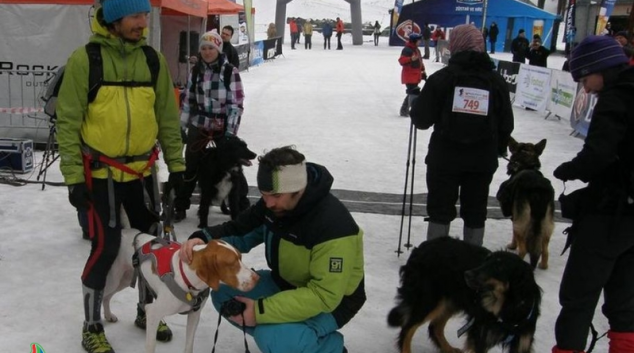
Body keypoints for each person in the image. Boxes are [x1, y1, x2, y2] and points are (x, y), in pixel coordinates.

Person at [56, 0, 186, 352]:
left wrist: (177, 167)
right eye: (135, 15)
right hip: (100, 176)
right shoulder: (86, 60)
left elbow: (167, 119)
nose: (143, 22)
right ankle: (92, 325)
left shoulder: (152, 60)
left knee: (152, 246)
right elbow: (67, 124)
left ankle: (148, 310)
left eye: (145, 15)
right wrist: (73, 179)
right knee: (106, 247)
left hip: (142, 174)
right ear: (114, 19)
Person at [179, 145, 366, 353]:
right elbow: (242, 230)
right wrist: (202, 239)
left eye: (274, 196)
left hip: (333, 303)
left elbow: (324, 295)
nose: (267, 203)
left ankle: (325, 347)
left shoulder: (333, 226)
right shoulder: (277, 205)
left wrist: (259, 312)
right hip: (285, 283)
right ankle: (289, 336)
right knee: (225, 296)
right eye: (263, 194)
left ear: (297, 189)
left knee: (270, 335)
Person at [551, 35, 634, 353]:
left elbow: (598, 155)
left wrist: (571, 169)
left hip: (608, 216)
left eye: (585, 79)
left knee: (578, 297)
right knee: (625, 301)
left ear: (602, 67)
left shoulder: (616, 98)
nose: (585, 89)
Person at [409, 24, 514, 245]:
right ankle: (472, 260)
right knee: (476, 211)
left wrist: (418, 105)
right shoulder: (496, 81)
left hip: (444, 158)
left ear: (455, 45)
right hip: (482, 160)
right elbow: (507, 123)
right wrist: (499, 148)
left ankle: (436, 257)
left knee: (440, 209)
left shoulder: (443, 78)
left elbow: (421, 120)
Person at [173, 30, 245, 222]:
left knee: (229, 167)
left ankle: (239, 205)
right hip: (200, 126)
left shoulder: (230, 72)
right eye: (204, 48)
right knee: (191, 167)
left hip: (222, 129)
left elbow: (236, 105)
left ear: (218, 49)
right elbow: (188, 101)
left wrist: (230, 131)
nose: (207, 52)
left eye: (211, 48)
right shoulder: (195, 71)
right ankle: (181, 205)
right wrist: (182, 125)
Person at [398, 32, 426, 117]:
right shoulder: (407, 50)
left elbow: (420, 62)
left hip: (415, 75)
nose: (420, 42)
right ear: (414, 41)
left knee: (412, 92)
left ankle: (404, 109)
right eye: (418, 40)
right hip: (410, 75)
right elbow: (401, 61)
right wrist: (410, 59)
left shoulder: (416, 49)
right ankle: (405, 110)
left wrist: (423, 71)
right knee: (413, 92)